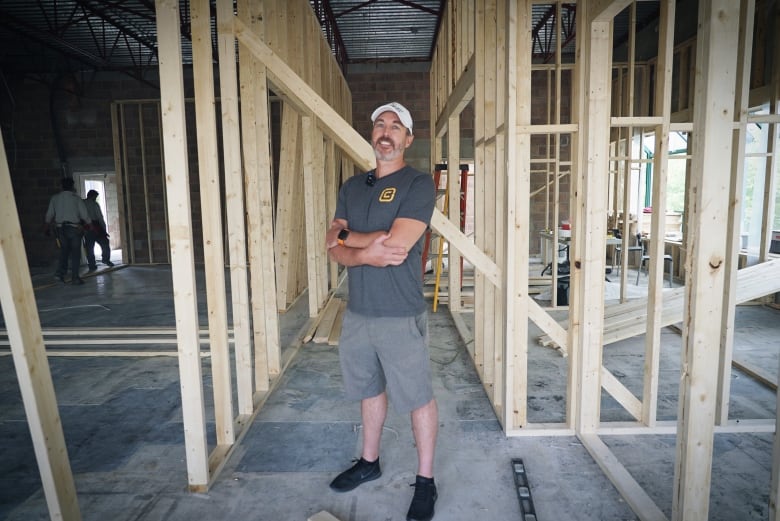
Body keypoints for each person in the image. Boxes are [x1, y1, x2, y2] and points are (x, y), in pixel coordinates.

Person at [325, 102, 438, 521]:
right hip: (358, 312)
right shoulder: (352, 187)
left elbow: (398, 244)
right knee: (369, 390)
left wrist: (352, 240)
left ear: (408, 139)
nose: (385, 131)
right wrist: (363, 253)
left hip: (399, 312)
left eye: (395, 126)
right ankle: (368, 462)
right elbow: (332, 245)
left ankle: (425, 481)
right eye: (379, 124)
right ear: (372, 135)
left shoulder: (418, 184)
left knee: (417, 397)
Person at [44, 177, 92, 285]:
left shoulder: (55, 198)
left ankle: (60, 274)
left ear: (61, 186)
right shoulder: (76, 199)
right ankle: (75, 278)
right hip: (74, 228)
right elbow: (85, 215)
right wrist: (90, 225)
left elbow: (49, 214)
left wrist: (46, 227)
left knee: (64, 251)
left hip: (60, 228)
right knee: (75, 254)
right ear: (72, 186)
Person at [83, 189, 114, 270]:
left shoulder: (82, 203)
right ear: (93, 196)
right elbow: (100, 217)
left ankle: (92, 265)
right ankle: (106, 259)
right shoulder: (94, 204)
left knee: (89, 247)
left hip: (85, 227)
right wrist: (104, 230)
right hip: (95, 226)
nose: (96, 198)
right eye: (95, 197)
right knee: (105, 243)